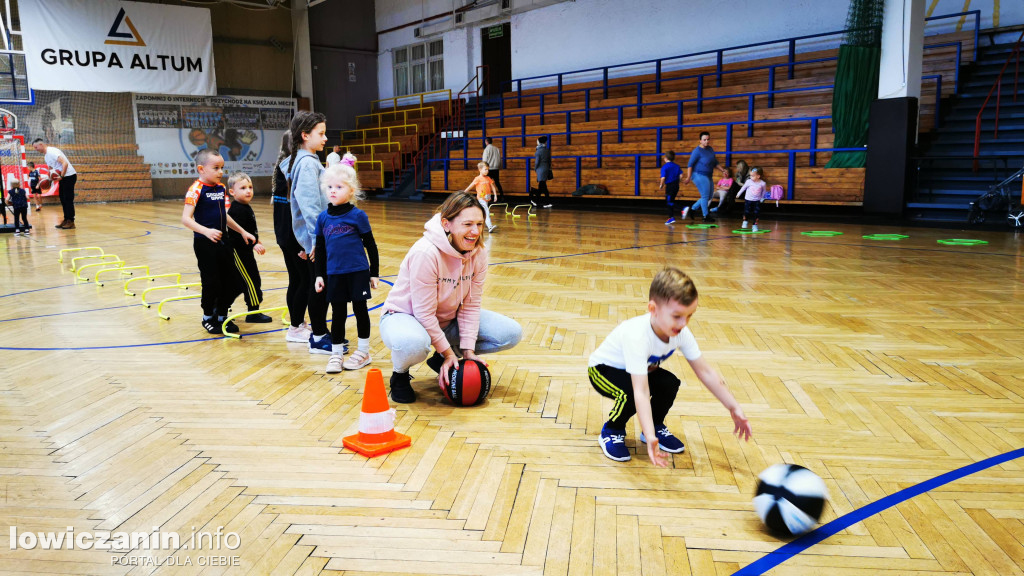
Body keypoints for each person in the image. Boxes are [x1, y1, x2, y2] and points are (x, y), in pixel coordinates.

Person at [588, 267, 752, 466]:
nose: (684, 323)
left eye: (690, 315)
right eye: (677, 316)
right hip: (603, 370)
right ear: (653, 309)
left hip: (638, 371)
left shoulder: (681, 331)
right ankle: (612, 430)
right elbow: (641, 391)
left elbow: (706, 372)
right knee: (630, 393)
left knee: (669, 383)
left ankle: (657, 424)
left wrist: (733, 407)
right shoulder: (637, 336)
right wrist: (649, 438)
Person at [380, 192, 523, 404]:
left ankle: (441, 357)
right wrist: (449, 353)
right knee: (413, 344)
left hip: (446, 320)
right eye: (467, 224)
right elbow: (423, 313)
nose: (475, 232)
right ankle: (399, 374)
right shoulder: (425, 253)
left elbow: (471, 305)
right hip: (405, 317)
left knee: (511, 333)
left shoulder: (478, 254)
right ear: (446, 224)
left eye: (480, 224)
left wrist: (467, 351)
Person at [181, 149, 256, 335]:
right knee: (211, 282)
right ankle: (208, 317)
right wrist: (206, 232)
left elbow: (224, 216)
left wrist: (243, 231)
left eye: (222, 167)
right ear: (201, 169)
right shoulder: (196, 189)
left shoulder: (221, 188)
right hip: (205, 244)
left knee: (235, 282)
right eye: (216, 168)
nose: (220, 172)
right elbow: (186, 219)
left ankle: (222, 314)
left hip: (224, 242)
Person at [314, 163, 380, 374]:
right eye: (330, 186)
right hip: (334, 274)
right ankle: (336, 354)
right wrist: (318, 275)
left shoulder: (357, 215)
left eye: (339, 187)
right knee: (338, 313)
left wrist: (374, 272)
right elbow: (321, 250)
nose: (333, 190)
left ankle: (363, 351)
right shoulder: (323, 218)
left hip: (358, 272)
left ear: (351, 190)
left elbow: (371, 245)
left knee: (360, 310)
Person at [280, 111, 333, 355]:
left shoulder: (303, 160)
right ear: (305, 135)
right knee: (320, 285)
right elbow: (310, 207)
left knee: (317, 283)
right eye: (320, 134)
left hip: (312, 237)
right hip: (315, 239)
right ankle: (319, 336)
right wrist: (316, 242)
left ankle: (319, 332)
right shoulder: (307, 163)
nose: (324, 138)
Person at [271, 132, 313, 343]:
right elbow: (293, 213)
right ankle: (296, 327)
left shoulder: (284, 167)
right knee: (304, 280)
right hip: (293, 237)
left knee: (296, 279)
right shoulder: (292, 169)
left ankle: (297, 323)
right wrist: (301, 243)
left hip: (286, 235)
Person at [225, 171, 272, 323]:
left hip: (245, 252)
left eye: (250, 187)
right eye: (243, 188)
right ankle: (253, 312)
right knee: (251, 281)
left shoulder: (245, 207)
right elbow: (237, 235)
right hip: (238, 253)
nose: (248, 191)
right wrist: (253, 245)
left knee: (244, 282)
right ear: (232, 192)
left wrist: (257, 241)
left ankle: (223, 307)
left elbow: (249, 230)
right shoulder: (236, 210)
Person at [681, 132, 728, 223]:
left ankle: (693, 209)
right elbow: (690, 165)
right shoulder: (697, 151)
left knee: (709, 196)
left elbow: (715, 162)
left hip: (708, 175)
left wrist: (723, 170)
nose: (706, 141)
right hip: (698, 175)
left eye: (708, 139)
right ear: (700, 140)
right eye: (704, 140)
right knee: (705, 196)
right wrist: (688, 177)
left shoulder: (710, 149)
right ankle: (705, 216)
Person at [31, 138, 77, 229]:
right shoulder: (46, 156)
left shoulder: (52, 151)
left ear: (41, 144)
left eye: (36, 147)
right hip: (63, 178)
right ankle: (66, 219)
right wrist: (48, 180)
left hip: (69, 176)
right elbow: (51, 170)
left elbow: (65, 163)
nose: (36, 150)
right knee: (63, 199)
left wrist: (62, 176)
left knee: (68, 199)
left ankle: (71, 221)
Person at [464, 161, 497, 233]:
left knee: (482, 213)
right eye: (485, 169)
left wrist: (495, 195)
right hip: (481, 199)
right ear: (480, 170)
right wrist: (464, 192)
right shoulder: (477, 179)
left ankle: (474, 224)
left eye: (488, 169)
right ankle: (490, 226)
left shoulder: (488, 178)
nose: (487, 171)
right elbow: (471, 185)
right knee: (486, 211)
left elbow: (493, 187)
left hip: (487, 199)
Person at [735, 166, 767, 232]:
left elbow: (764, 191)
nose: (750, 177)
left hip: (757, 201)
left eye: (752, 176)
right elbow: (743, 188)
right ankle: (745, 221)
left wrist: (762, 197)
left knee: (756, 213)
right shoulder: (748, 182)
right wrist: (738, 194)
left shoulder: (762, 183)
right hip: (748, 200)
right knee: (746, 211)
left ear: (758, 176)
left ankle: (755, 225)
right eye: (750, 175)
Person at [658, 151, 683, 225]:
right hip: (676, 185)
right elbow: (681, 175)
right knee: (671, 201)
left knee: (669, 201)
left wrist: (661, 185)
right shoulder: (677, 166)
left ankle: (683, 208)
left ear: (665, 158)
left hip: (669, 186)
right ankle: (671, 217)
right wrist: (680, 181)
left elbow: (663, 178)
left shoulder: (665, 167)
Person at [531, 136, 553, 208]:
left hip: (540, 170)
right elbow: (549, 161)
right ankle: (539, 201)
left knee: (542, 185)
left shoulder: (538, 151)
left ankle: (539, 200)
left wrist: (535, 168)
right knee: (542, 186)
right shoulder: (547, 150)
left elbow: (537, 162)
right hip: (546, 169)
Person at [482, 137, 504, 201]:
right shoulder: (497, 149)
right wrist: (500, 166)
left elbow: (485, 160)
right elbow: (499, 159)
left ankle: (488, 196)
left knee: (487, 183)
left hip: (489, 169)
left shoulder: (486, 149)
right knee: (497, 182)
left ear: (486, 142)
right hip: (496, 168)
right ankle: (502, 195)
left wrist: (484, 169)